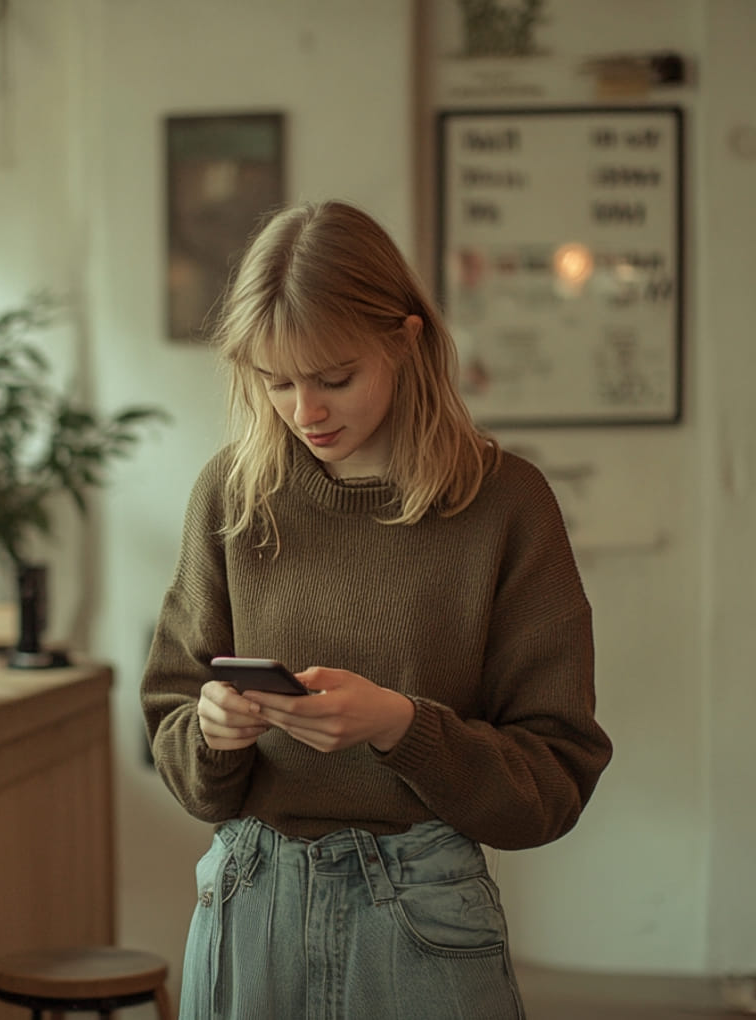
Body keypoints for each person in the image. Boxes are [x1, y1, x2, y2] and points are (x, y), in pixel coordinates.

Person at [141, 199, 613, 1020]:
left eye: (334, 378)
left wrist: (402, 727)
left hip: (424, 917)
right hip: (252, 906)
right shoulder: (231, 495)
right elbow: (175, 735)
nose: (305, 411)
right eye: (276, 381)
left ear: (405, 339)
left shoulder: (506, 504)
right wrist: (214, 733)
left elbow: (555, 780)